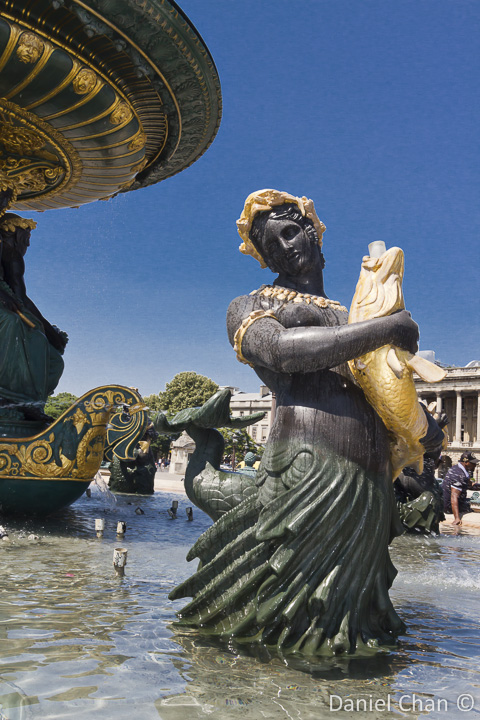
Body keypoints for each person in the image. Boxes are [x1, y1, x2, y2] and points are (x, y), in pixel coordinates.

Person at [171, 190, 444, 655]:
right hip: (307, 468)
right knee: (292, 618)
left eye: (291, 232)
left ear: (314, 233)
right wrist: (386, 328)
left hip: (368, 479)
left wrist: (422, 430)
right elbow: (281, 351)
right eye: (269, 244)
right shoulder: (249, 304)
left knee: (349, 618)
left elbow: (382, 389)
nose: (284, 247)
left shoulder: (351, 312)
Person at [0, 212, 67, 422]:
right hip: (5, 307)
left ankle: (31, 402)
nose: (27, 245)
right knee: (12, 323)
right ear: (13, 235)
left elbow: (21, 298)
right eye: (25, 239)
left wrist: (49, 331)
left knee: (53, 359)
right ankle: (9, 397)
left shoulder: (13, 258)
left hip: (8, 302)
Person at [442, 451, 479, 525]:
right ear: (466, 462)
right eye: (473, 463)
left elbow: (470, 485)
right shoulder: (459, 475)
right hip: (450, 508)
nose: (475, 465)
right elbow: (454, 496)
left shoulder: (458, 469)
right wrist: (457, 518)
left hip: (448, 504)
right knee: (471, 504)